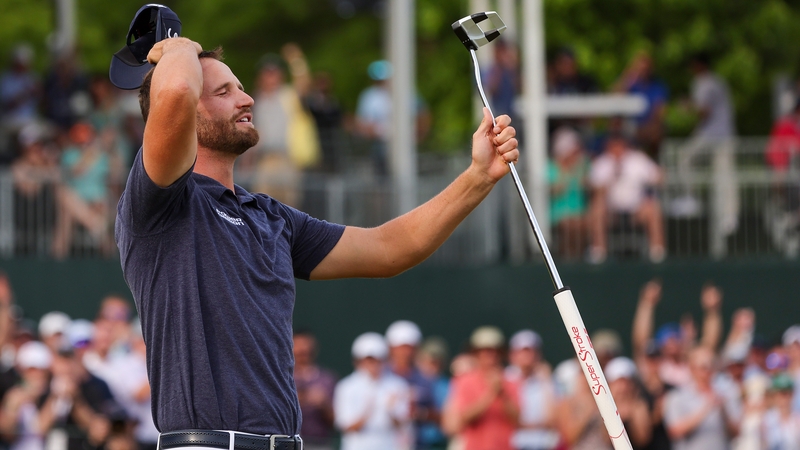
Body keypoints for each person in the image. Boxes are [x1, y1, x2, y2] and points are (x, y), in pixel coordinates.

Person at [112, 9, 518, 450]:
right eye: (224, 91)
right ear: (189, 108)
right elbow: (172, 90)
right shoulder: (161, 201)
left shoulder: (271, 217)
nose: (246, 100)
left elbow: (392, 248)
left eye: (242, 88)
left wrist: (478, 176)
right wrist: (179, 47)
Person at [673, 52, 739, 257]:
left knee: (684, 157)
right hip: (724, 134)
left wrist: (686, 106)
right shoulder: (719, 82)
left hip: (713, 136)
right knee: (725, 176)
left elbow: (704, 112)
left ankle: (690, 198)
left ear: (698, 65)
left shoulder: (704, 83)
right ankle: (729, 218)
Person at [587, 133, 665, 264]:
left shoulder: (638, 160)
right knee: (596, 207)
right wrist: (610, 179)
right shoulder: (602, 162)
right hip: (611, 211)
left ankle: (657, 251)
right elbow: (593, 187)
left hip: (636, 209)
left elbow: (659, 177)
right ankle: (598, 250)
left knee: (653, 208)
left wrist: (652, 182)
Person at [442, 326, 519, 450]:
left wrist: (503, 395)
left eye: (496, 351)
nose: (492, 355)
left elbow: (517, 420)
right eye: (486, 351)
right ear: (476, 353)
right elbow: (463, 418)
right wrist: (491, 394)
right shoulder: (464, 381)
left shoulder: (511, 381)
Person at [333, 332, 410, 450]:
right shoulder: (346, 386)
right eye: (370, 360)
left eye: (379, 360)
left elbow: (402, 425)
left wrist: (390, 411)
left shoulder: (398, 385)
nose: (375, 365)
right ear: (359, 361)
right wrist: (367, 412)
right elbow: (345, 426)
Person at [664, 346, 740, 450]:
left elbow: (736, 433)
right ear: (692, 369)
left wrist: (724, 411)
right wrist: (706, 408)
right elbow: (674, 431)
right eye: (704, 367)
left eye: (712, 366)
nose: (708, 371)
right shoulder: (677, 396)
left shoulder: (726, 391)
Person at [384, 320, 437, 449]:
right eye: (401, 347)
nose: (405, 352)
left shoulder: (425, 379)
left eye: (410, 347)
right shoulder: (380, 377)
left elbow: (438, 415)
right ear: (391, 348)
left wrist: (420, 413)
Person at [505, 330, 559, 450]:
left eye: (531, 351)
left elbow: (553, 418)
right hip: (514, 444)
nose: (528, 356)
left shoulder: (549, 379)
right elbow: (509, 420)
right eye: (523, 352)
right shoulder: (505, 379)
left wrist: (547, 382)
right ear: (512, 355)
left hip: (544, 444)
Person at [613, 52, 669, 161]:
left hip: (649, 126)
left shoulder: (658, 86)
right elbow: (614, 99)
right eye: (640, 68)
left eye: (646, 68)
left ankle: (653, 162)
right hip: (630, 125)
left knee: (657, 130)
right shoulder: (631, 85)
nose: (644, 71)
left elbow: (660, 112)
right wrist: (628, 76)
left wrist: (647, 128)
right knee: (616, 124)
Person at [548, 127, 588, 260]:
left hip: (580, 212)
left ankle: (580, 256)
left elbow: (589, 184)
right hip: (559, 214)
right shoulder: (551, 167)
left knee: (583, 223)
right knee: (570, 224)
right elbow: (554, 190)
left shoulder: (582, 166)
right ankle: (569, 257)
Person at [292, 330, 336, 450]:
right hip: (290, 442)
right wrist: (298, 399)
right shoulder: (283, 379)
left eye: (306, 347)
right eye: (298, 346)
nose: (303, 351)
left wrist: (323, 404)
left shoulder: (326, 380)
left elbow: (336, 421)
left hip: (319, 443)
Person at [604, 357, 653, 449]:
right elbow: (605, 440)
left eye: (626, 382)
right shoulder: (602, 407)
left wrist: (631, 413)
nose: (623, 387)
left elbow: (643, 439)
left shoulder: (639, 405)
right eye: (618, 382)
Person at [761, 373, 800, 449]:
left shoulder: (797, 419)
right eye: (780, 393)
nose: (784, 398)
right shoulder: (766, 419)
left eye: (787, 393)